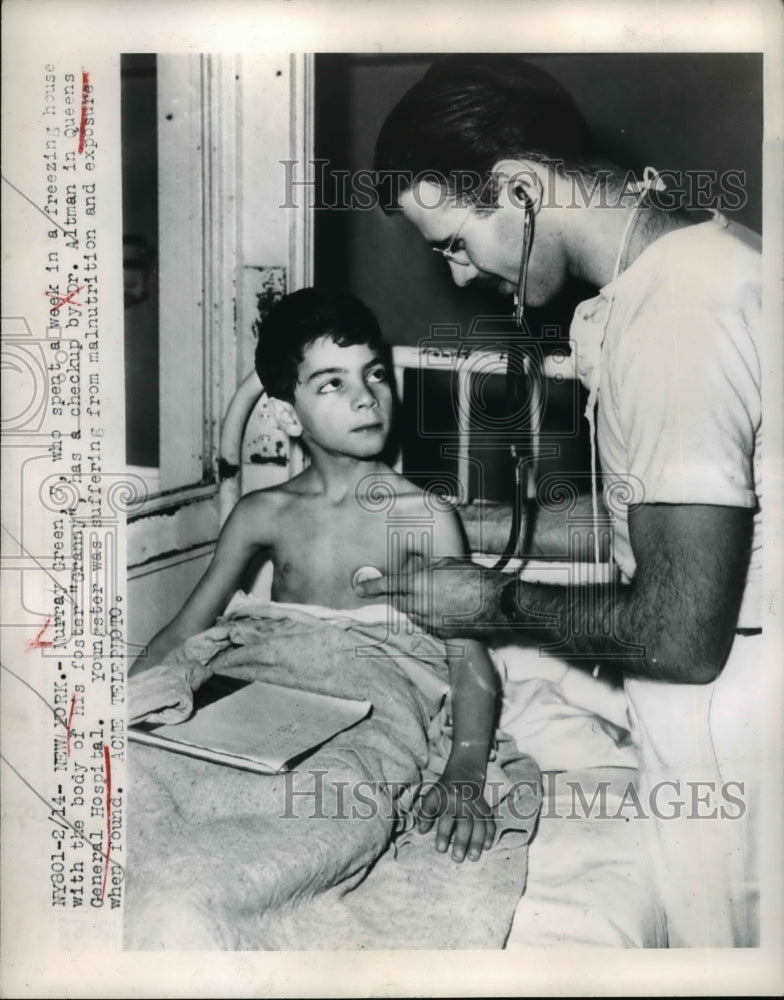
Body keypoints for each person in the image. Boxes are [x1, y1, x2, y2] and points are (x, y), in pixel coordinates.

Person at [360, 55, 762, 946]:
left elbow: (681, 632)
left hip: (730, 724)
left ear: (519, 186)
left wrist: (490, 605)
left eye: (455, 243)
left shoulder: (679, 317)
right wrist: (476, 524)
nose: (459, 277)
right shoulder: (694, 264)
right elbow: (648, 522)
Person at [129, 287, 500, 863]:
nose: (366, 399)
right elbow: (185, 630)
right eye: (332, 383)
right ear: (285, 414)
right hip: (269, 689)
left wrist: (467, 766)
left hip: (374, 695)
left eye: (375, 375)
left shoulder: (422, 516)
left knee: (331, 811)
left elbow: (466, 656)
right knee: (154, 784)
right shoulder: (262, 513)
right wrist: (115, 709)